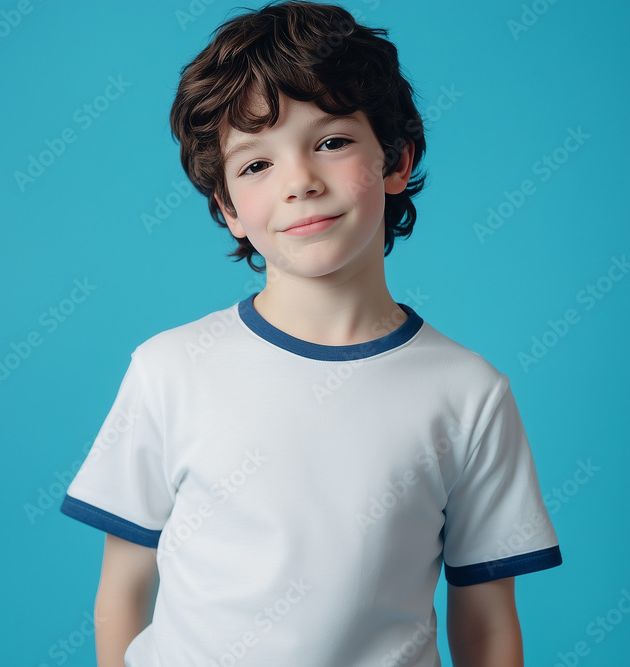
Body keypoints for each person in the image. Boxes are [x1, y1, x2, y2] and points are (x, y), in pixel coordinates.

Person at [59, 2, 562, 664]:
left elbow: (488, 626)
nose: (299, 181)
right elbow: (121, 592)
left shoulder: (469, 392)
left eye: (330, 142)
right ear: (229, 208)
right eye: (255, 165)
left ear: (396, 158)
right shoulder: (169, 370)